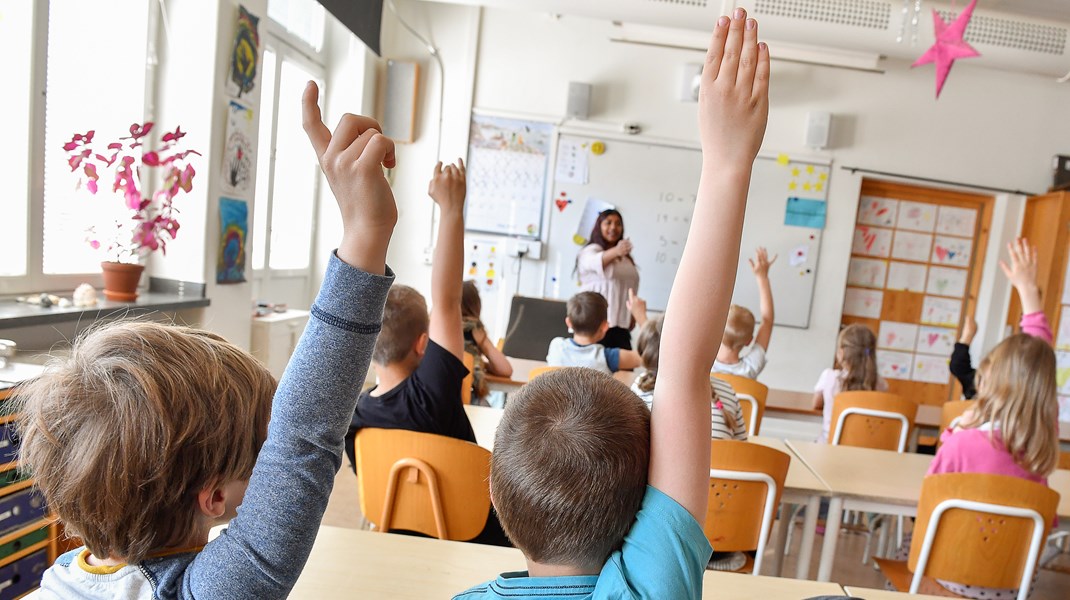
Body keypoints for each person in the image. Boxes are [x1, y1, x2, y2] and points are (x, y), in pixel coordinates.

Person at [17, 83, 397, 598]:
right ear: (213, 497)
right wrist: (365, 230)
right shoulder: (207, 592)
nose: (271, 461)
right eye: (260, 454)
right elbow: (303, 437)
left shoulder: (56, 581)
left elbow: (297, 439)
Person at [453, 9, 769, 598]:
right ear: (648, 500)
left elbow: (681, 374)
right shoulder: (650, 590)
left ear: (494, 497)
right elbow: (682, 374)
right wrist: (728, 163)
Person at [343, 159, 510, 547]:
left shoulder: (356, 422)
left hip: (399, 540)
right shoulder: (432, 395)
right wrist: (451, 209)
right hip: (477, 540)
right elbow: (448, 300)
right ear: (423, 343)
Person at [890, 333, 1059, 598]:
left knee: (902, 554)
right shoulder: (1038, 457)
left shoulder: (962, 444)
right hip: (1010, 586)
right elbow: (1047, 525)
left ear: (989, 383)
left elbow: (927, 504)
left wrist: (955, 432)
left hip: (947, 576)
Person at [949, 238, 1054, 399]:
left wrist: (1028, 290)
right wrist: (1028, 290)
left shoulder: (1021, 396)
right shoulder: (1035, 408)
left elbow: (1036, 354)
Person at [633, 315, 747, 441]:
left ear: (647, 352)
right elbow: (742, 447)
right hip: (722, 460)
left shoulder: (640, 386)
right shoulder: (727, 389)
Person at [812, 323, 888, 443]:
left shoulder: (830, 377)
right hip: (863, 449)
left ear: (841, 353)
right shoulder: (880, 384)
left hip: (829, 446)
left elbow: (816, 403)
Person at [575, 209, 639, 350]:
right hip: (594, 325)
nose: (613, 227)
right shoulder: (591, 250)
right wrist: (616, 251)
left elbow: (632, 287)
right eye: (608, 223)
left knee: (624, 369)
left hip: (620, 326)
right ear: (599, 226)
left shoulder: (626, 258)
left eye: (618, 224)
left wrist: (633, 314)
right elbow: (595, 262)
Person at [713, 247, 776, 378]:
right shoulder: (750, 368)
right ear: (749, 341)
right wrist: (762, 278)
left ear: (717, 334)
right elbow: (767, 321)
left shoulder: (704, 365)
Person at [546, 291, 641, 374]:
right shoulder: (607, 357)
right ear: (605, 327)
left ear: (568, 322)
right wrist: (641, 316)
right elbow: (649, 357)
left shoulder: (556, 346)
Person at [462, 280, 513, 400]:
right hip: (468, 399)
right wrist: (480, 364)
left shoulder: (433, 327)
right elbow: (505, 369)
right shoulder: (474, 329)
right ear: (476, 305)